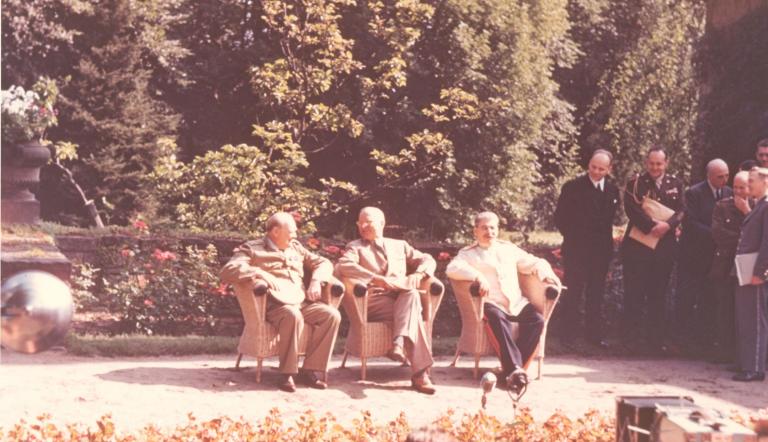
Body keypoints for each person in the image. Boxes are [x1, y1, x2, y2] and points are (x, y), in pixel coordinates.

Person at [220, 212, 341, 392]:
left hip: (301, 301)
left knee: (332, 315)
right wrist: (259, 273)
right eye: (291, 231)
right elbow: (228, 270)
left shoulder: (296, 248)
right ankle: (287, 374)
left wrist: (316, 280)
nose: (295, 235)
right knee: (293, 315)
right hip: (275, 305)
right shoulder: (253, 249)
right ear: (275, 231)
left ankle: (309, 370)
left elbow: (323, 262)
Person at [446, 211, 561, 389]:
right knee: (498, 321)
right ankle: (516, 371)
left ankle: (513, 371)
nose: (489, 231)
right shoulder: (468, 254)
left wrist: (547, 274)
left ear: (498, 230)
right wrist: (477, 276)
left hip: (516, 303)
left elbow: (534, 262)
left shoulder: (509, 249)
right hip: (492, 303)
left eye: (493, 227)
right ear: (475, 230)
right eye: (484, 227)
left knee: (537, 320)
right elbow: (452, 268)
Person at [335, 207, 438, 394]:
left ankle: (399, 343)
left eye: (368, 221)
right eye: (360, 222)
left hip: (401, 297)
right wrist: (375, 279)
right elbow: (344, 265)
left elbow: (427, 259)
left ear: (382, 223)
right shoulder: (355, 247)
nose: (363, 226)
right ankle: (420, 374)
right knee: (413, 307)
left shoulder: (400, 245)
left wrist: (419, 273)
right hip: (373, 300)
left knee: (412, 295)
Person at [621, 147, 684, 354]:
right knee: (634, 294)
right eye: (652, 163)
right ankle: (630, 341)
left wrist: (668, 226)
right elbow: (631, 209)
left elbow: (683, 211)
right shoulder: (636, 183)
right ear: (646, 162)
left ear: (666, 163)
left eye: (659, 163)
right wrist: (650, 226)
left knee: (658, 294)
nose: (655, 167)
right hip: (638, 248)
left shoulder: (676, 184)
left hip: (664, 248)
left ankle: (655, 342)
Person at [554, 149, 620, 347]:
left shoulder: (612, 190)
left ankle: (594, 337)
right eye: (593, 167)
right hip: (577, 250)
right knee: (573, 293)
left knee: (596, 294)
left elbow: (608, 221)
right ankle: (568, 337)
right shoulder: (572, 187)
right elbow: (560, 218)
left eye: (601, 169)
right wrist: (576, 238)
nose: (596, 172)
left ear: (609, 169)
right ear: (588, 164)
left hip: (600, 252)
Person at [676, 159, 732, 355]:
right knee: (686, 299)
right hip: (693, 255)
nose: (724, 180)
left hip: (715, 258)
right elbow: (690, 223)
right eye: (720, 176)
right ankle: (680, 341)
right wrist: (717, 234)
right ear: (709, 175)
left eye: (726, 175)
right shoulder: (694, 193)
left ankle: (706, 343)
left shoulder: (729, 193)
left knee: (709, 300)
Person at [731, 167, 768, 382]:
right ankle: (748, 363)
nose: (749, 185)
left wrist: (761, 272)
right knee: (746, 317)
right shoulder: (758, 205)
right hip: (745, 266)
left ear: (765, 182)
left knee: (755, 319)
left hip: (755, 268)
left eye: (752, 181)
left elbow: (766, 244)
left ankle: (754, 367)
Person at [710, 171, 751, 362]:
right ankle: (723, 351)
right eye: (735, 187)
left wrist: (746, 213)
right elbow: (718, 234)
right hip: (724, 263)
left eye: (742, 187)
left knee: (743, 311)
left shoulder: (757, 208)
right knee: (723, 308)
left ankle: (741, 354)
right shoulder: (722, 205)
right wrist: (742, 239)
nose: (738, 191)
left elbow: (758, 236)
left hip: (747, 265)